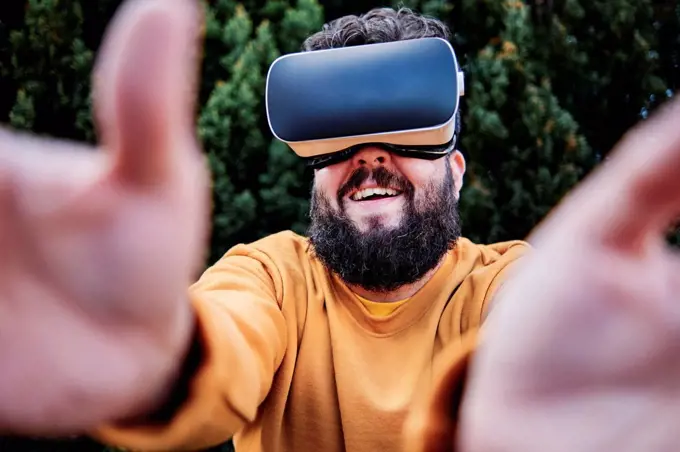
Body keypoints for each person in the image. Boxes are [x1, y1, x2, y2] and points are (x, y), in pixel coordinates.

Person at [2, 1, 680, 452]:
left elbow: (535, 333)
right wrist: (163, 360)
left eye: (408, 136)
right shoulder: (270, 278)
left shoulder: (509, 285)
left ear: (460, 170)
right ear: (312, 172)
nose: (371, 160)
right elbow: (224, 338)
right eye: (339, 145)